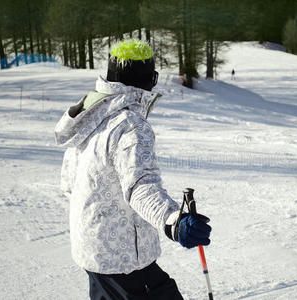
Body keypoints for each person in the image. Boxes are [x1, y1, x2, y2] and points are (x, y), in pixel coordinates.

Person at [54, 39, 212, 300]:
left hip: (96, 252)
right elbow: (140, 187)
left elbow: (69, 184)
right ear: (148, 79)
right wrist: (175, 221)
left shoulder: (92, 114)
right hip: (123, 260)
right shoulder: (130, 126)